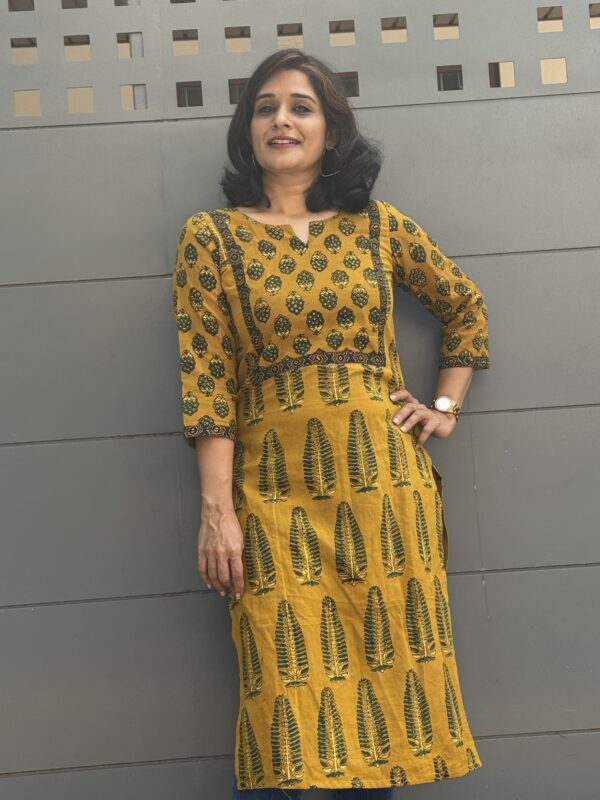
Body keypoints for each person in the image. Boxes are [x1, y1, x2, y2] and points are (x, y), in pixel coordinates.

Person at [171, 48, 489, 798]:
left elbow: (465, 309)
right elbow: (207, 382)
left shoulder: (376, 228)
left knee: (392, 697)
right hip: (274, 505)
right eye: (265, 106)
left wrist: (441, 407)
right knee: (293, 704)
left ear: (331, 131)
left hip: (385, 495)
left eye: (301, 106)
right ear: (247, 130)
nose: (281, 118)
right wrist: (218, 514)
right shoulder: (210, 239)